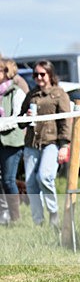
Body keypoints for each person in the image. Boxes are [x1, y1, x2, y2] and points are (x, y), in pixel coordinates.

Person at [19, 60, 71, 227]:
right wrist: (25, 117)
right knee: (31, 183)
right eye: (36, 74)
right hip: (32, 144)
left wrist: (65, 145)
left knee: (44, 177)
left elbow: (65, 120)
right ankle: (38, 221)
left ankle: (53, 213)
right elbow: (20, 121)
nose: (39, 77)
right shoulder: (31, 95)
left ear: (50, 74)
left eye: (42, 74)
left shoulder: (59, 94)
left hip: (51, 143)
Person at [0, 59, 26, 223]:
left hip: (11, 142)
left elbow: (16, 118)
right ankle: (2, 214)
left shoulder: (16, 92)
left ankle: (15, 217)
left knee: (9, 179)